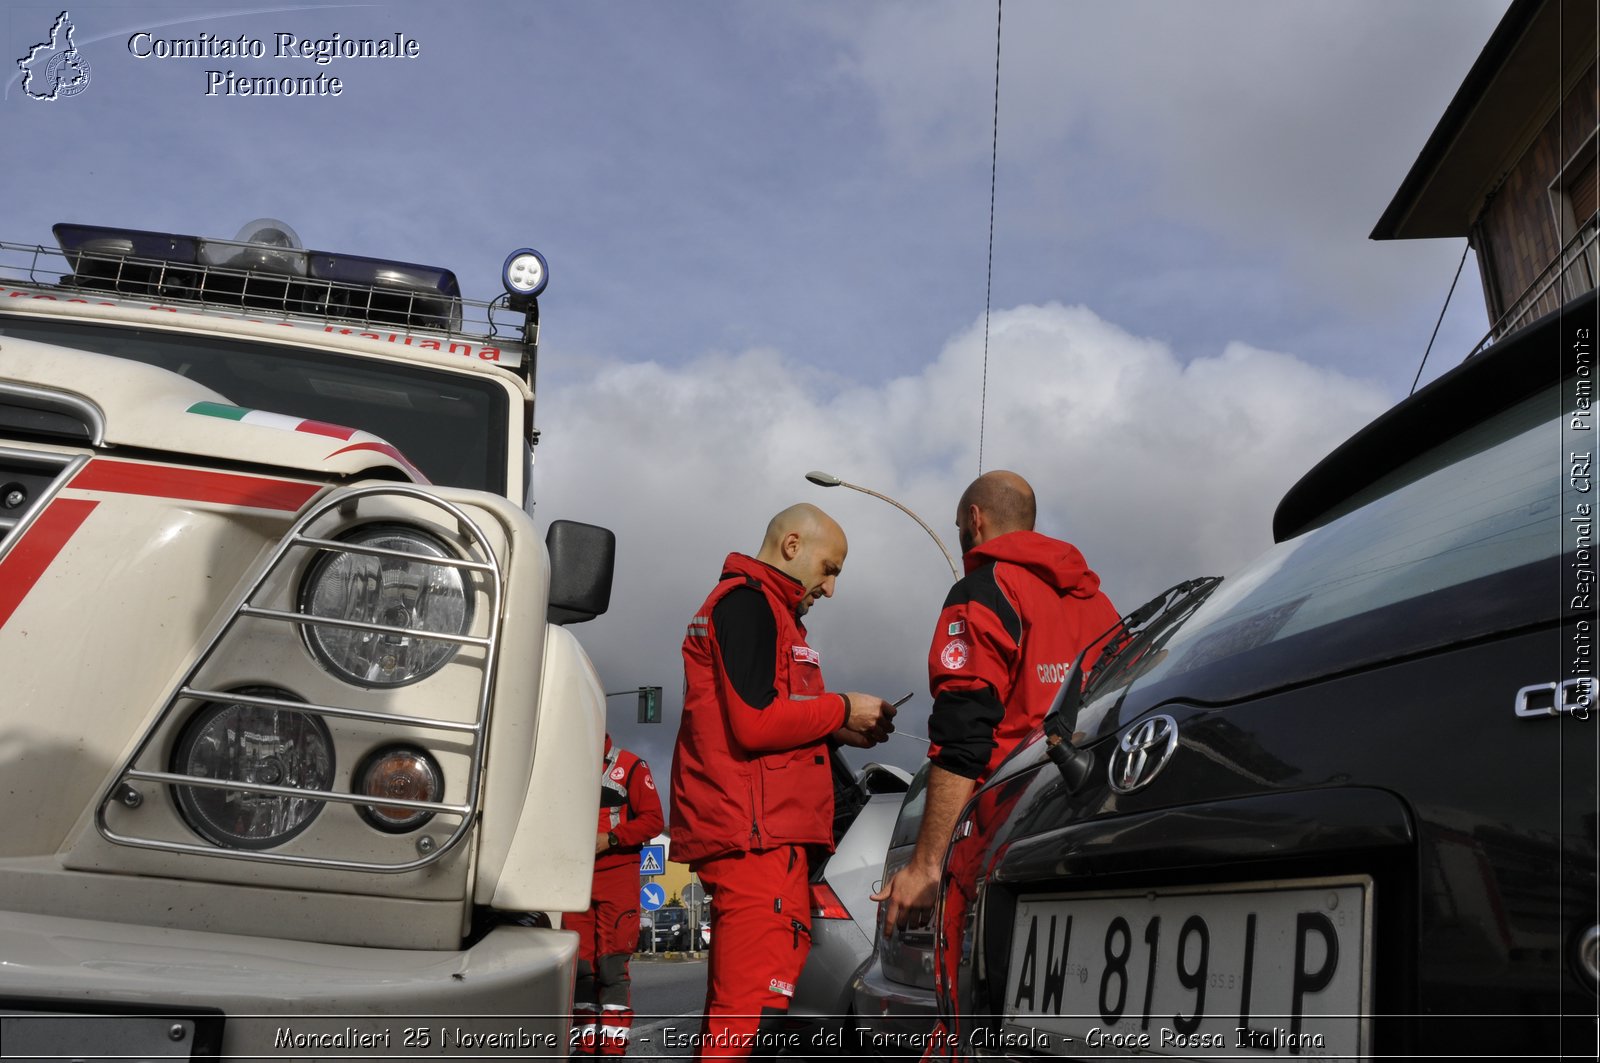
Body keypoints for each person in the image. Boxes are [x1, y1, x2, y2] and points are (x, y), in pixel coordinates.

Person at [671, 503, 897, 1059]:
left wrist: (836, 730)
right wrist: (840, 706)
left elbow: (764, 716)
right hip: (756, 844)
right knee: (749, 1023)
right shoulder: (748, 603)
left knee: (750, 1015)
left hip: (764, 840)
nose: (830, 587)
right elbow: (754, 723)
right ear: (792, 546)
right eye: (831, 568)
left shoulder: (764, 608)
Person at [872, 470, 1119, 934]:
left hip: (1004, 843)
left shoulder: (984, 591)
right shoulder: (1099, 603)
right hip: (1089, 833)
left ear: (974, 518)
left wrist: (926, 867)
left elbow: (963, 732)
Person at [566, 733, 665, 1056]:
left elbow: (653, 820)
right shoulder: (565, 765)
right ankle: (583, 1046)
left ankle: (611, 1049)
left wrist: (610, 839)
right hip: (573, 878)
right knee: (580, 970)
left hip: (617, 877)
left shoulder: (631, 765)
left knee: (611, 967)